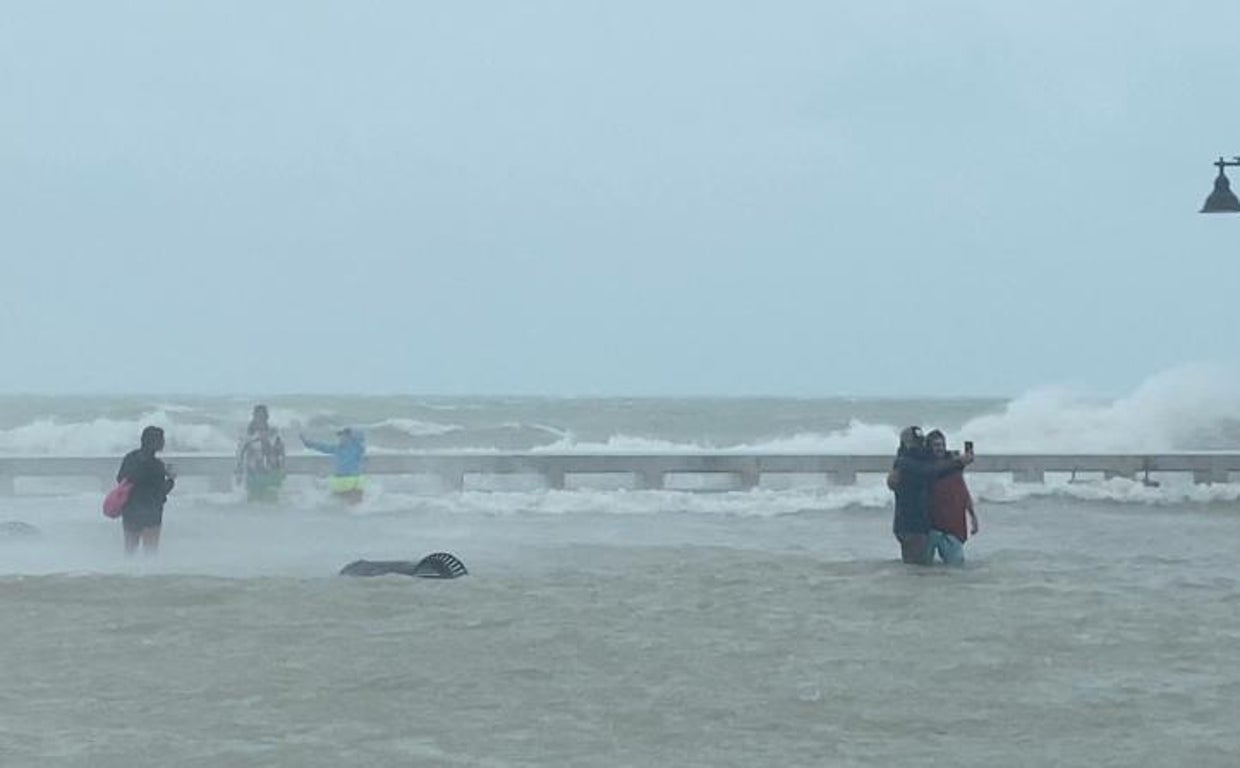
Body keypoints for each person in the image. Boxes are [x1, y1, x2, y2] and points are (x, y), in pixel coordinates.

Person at [887, 425, 972, 565]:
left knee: (922, 570)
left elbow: (938, 462)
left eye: (921, 443)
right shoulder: (904, 462)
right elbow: (929, 471)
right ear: (906, 444)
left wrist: (955, 458)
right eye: (916, 443)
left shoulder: (919, 458)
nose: (919, 446)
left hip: (923, 525)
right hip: (910, 526)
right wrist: (958, 462)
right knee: (916, 570)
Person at [116, 426, 175, 555]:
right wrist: (171, 479)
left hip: (130, 510)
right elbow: (161, 491)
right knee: (150, 553)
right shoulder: (156, 466)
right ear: (155, 442)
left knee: (129, 552)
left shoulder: (130, 458)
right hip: (151, 513)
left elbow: (120, 479)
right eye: (161, 440)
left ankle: (128, 574)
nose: (163, 442)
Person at [925, 429, 978, 566]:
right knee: (922, 571)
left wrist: (973, 516)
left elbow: (963, 492)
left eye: (942, 445)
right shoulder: (924, 466)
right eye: (936, 445)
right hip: (930, 528)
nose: (940, 448)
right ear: (929, 447)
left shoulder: (954, 465)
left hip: (952, 528)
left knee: (956, 570)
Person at [301, 427, 366, 503]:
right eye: (340, 436)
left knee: (352, 503)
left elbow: (360, 439)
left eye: (343, 436)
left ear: (350, 438)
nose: (341, 438)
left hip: (353, 482)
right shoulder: (338, 448)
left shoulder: (357, 447)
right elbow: (323, 446)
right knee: (337, 503)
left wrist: (353, 434)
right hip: (341, 483)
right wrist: (308, 443)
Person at [236, 404, 286, 502]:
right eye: (258, 417)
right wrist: (239, 471)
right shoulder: (248, 435)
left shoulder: (273, 433)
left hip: (271, 472)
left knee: (271, 500)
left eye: (263, 417)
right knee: (254, 501)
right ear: (254, 417)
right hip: (253, 473)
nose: (260, 420)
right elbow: (240, 452)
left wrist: (282, 468)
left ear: (266, 418)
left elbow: (280, 451)